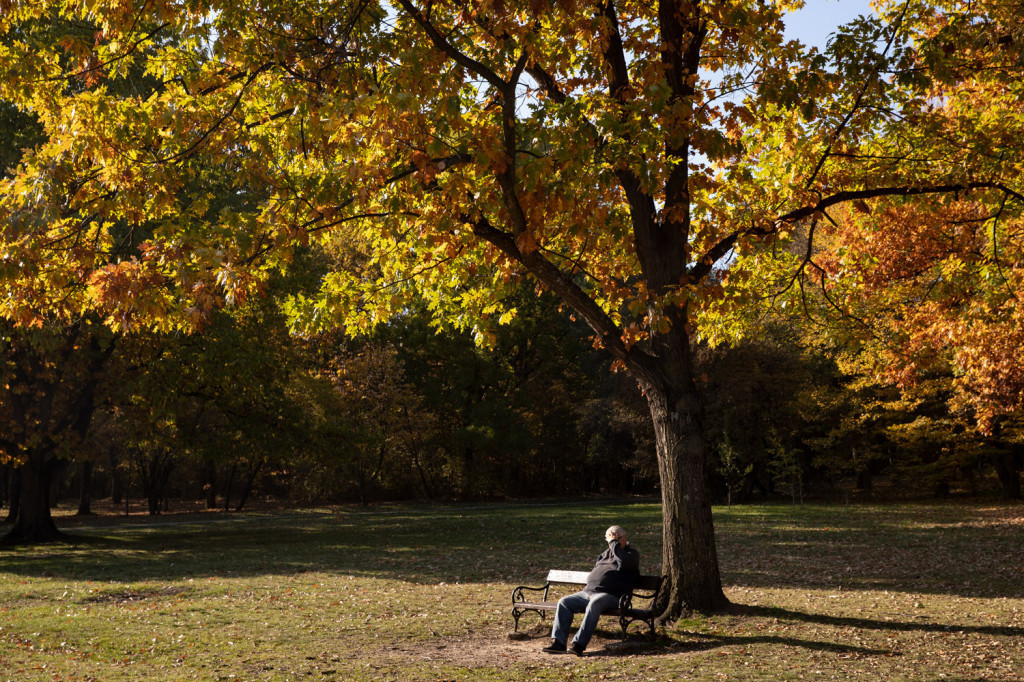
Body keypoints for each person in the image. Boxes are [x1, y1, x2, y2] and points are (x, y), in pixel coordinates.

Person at [542, 525, 640, 656]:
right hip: (588, 592)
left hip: (611, 595)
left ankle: (579, 644)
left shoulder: (631, 554)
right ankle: (559, 643)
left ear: (624, 538)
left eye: (616, 539)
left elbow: (623, 562)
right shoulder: (605, 554)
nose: (612, 543)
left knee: (595, 604)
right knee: (564, 602)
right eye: (610, 539)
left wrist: (614, 543)